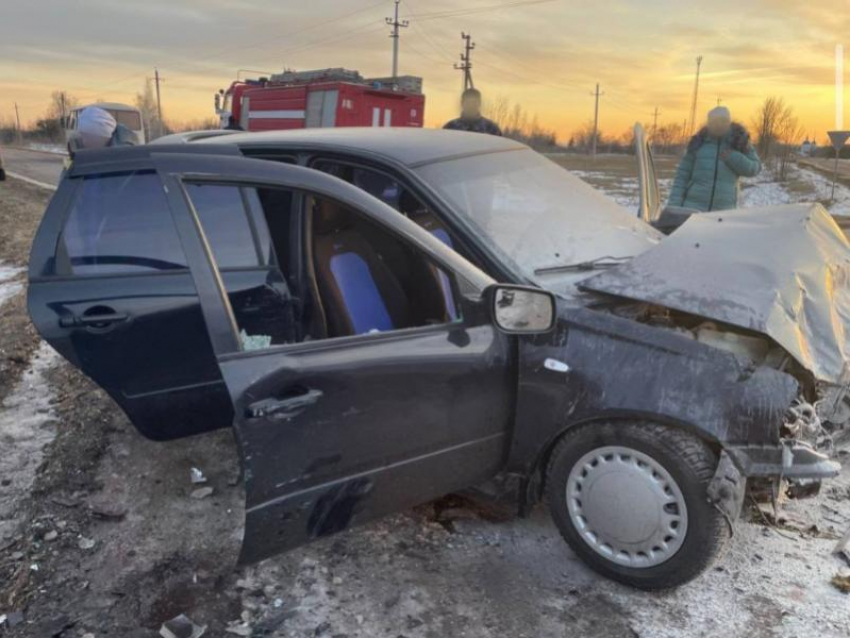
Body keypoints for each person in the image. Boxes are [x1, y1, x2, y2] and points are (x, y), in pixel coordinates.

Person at [668, 106, 761, 212]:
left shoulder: (740, 141)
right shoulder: (698, 143)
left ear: (729, 122)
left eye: (723, 121)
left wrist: (733, 157)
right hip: (692, 209)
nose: (719, 124)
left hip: (723, 212)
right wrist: (673, 208)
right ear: (709, 123)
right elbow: (681, 177)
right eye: (715, 121)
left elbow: (755, 168)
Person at [72, 107, 137, 151]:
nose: (84, 142)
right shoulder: (100, 151)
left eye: (87, 136)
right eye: (83, 136)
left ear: (102, 135)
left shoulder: (122, 156)